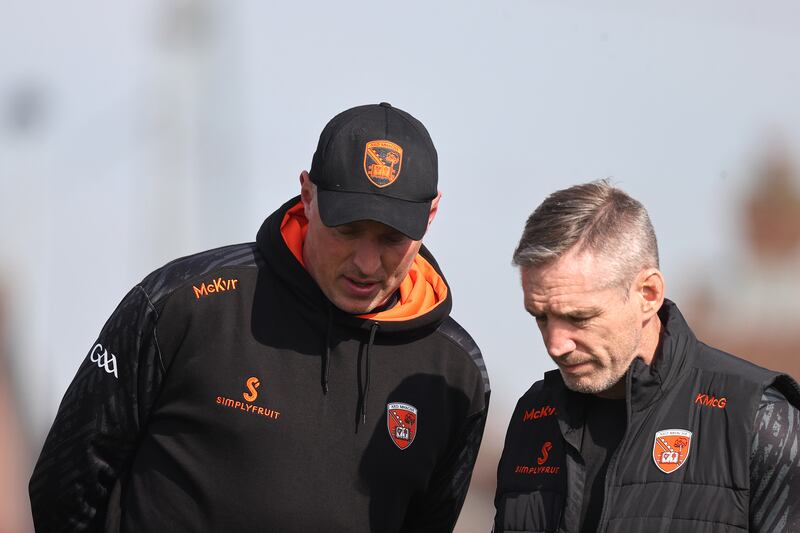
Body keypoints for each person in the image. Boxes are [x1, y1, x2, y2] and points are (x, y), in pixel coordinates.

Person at [30, 102, 490, 532]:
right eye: (347, 231)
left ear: (431, 214)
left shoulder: (455, 373)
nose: (367, 263)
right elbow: (65, 482)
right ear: (307, 195)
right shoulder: (184, 304)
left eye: (391, 239)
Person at [493, 180, 800, 533]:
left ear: (648, 294)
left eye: (579, 318)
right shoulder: (533, 416)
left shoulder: (760, 420)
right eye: (541, 317)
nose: (555, 344)